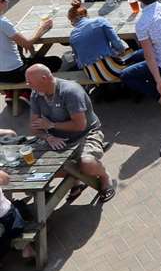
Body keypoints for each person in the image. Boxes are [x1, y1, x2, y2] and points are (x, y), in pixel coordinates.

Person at [26, 64, 113, 199]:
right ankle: (76, 179)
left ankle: (104, 176)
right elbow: (34, 127)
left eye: (30, 82)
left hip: (85, 134)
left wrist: (51, 125)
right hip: (57, 138)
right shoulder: (36, 94)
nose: (28, 85)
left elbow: (80, 125)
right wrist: (48, 137)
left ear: (44, 78)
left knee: (86, 163)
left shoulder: (70, 92)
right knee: (36, 167)